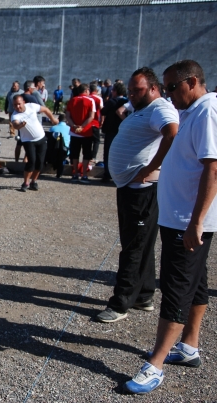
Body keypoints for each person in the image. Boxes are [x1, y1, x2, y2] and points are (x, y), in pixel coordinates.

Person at [124, 60, 217, 395]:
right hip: (179, 218)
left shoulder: (207, 111)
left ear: (192, 82)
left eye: (173, 88)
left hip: (187, 222)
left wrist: (196, 221)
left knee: (176, 287)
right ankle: (189, 345)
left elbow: (212, 168)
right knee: (196, 282)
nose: (168, 95)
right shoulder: (193, 111)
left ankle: (156, 363)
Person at [96, 67, 179, 324]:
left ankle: (120, 303)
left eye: (138, 89)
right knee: (141, 242)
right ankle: (143, 295)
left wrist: (151, 167)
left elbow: (172, 132)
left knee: (132, 246)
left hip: (142, 190)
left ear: (154, 88)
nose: (131, 94)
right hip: (131, 189)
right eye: (130, 90)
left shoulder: (159, 108)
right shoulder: (142, 109)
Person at [11, 95, 59, 192]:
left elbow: (45, 109)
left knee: (40, 162)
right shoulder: (15, 115)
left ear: (23, 102)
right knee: (31, 161)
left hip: (41, 137)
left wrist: (53, 119)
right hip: (28, 141)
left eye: (19, 104)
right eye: (15, 105)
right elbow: (15, 125)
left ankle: (34, 181)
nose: (18, 107)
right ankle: (25, 182)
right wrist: (21, 125)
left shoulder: (31, 106)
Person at [65, 83, 98, 183]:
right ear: (87, 90)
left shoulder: (72, 100)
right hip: (86, 131)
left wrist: (74, 126)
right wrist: (82, 126)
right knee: (86, 153)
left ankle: (75, 174)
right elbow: (91, 116)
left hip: (74, 131)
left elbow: (67, 116)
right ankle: (84, 174)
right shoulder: (90, 100)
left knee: (75, 154)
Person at [100, 82, 128, 182]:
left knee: (108, 152)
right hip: (122, 130)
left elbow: (103, 111)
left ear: (116, 91)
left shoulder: (112, 102)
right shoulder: (127, 101)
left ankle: (107, 173)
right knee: (121, 153)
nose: (111, 92)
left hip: (111, 130)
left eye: (113, 90)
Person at [49, 113, 71, 178]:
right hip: (65, 150)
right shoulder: (69, 129)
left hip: (53, 149)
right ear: (66, 121)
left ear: (58, 119)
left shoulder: (52, 128)